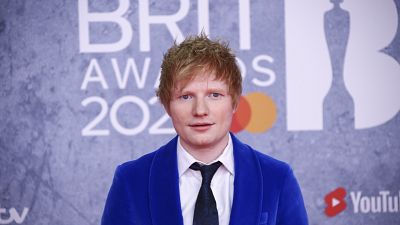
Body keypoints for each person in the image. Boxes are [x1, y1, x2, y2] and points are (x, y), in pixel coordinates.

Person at [101, 34, 308, 225]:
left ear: (234, 103)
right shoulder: (130, 180)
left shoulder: (277, 177)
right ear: (166, 106)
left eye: (214, 95)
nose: (200, 110)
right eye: (186, 96)